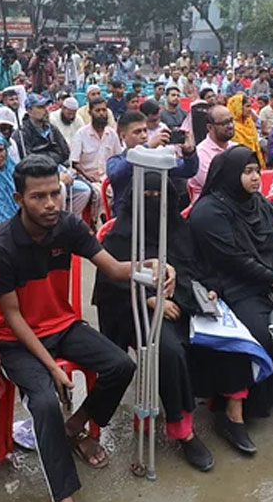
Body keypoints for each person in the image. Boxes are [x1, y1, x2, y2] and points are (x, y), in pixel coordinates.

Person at [0, 155, 151, 502]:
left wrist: (154, 269)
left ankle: (74, 426)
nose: (51, 202)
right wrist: (51, 365)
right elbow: (13, 318)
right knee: (40, 402)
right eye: (39, 196)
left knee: (120, 365)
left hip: (63, 324)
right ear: (19, 199)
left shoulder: (70, 226)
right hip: (18, 341)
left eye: (55, 192)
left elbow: (113, 269)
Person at [95, 173, 244, 472]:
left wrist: (204, 288)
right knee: (170, 349)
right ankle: (182, 429)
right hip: (137, 312)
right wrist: (148, 299)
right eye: (146, 196)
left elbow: (198, 267)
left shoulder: (179, 228)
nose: (154, 202)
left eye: (159, 195)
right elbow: (107, 287)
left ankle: (233, 410)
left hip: (184, 300)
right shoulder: (120, 235)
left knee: (228, 332)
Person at [191, 146, 273, 422]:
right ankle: (248, 407)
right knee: (262, 334)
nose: (254, 178)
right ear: (229, 174)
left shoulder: (261, 204)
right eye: (247, 172)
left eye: (256, 171)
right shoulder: (209, 211)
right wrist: (272, 279)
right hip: (232, 286)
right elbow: (229, 259)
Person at [105, 109, 198, 211]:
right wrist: (147, 147)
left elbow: (188, 171)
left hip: (158, 216)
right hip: (127, 217)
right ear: (123, 136)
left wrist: (189, 152)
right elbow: (117, 173)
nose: (144, 136)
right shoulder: (116, 160)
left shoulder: (158, 158)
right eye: (137, 132)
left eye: (145, 130)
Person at [226, 92, 265, 167]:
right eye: (247, 106)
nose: (250, 110)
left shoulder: (249, 123)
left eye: (251, 106)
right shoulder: (231, 127)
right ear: (238, 107)